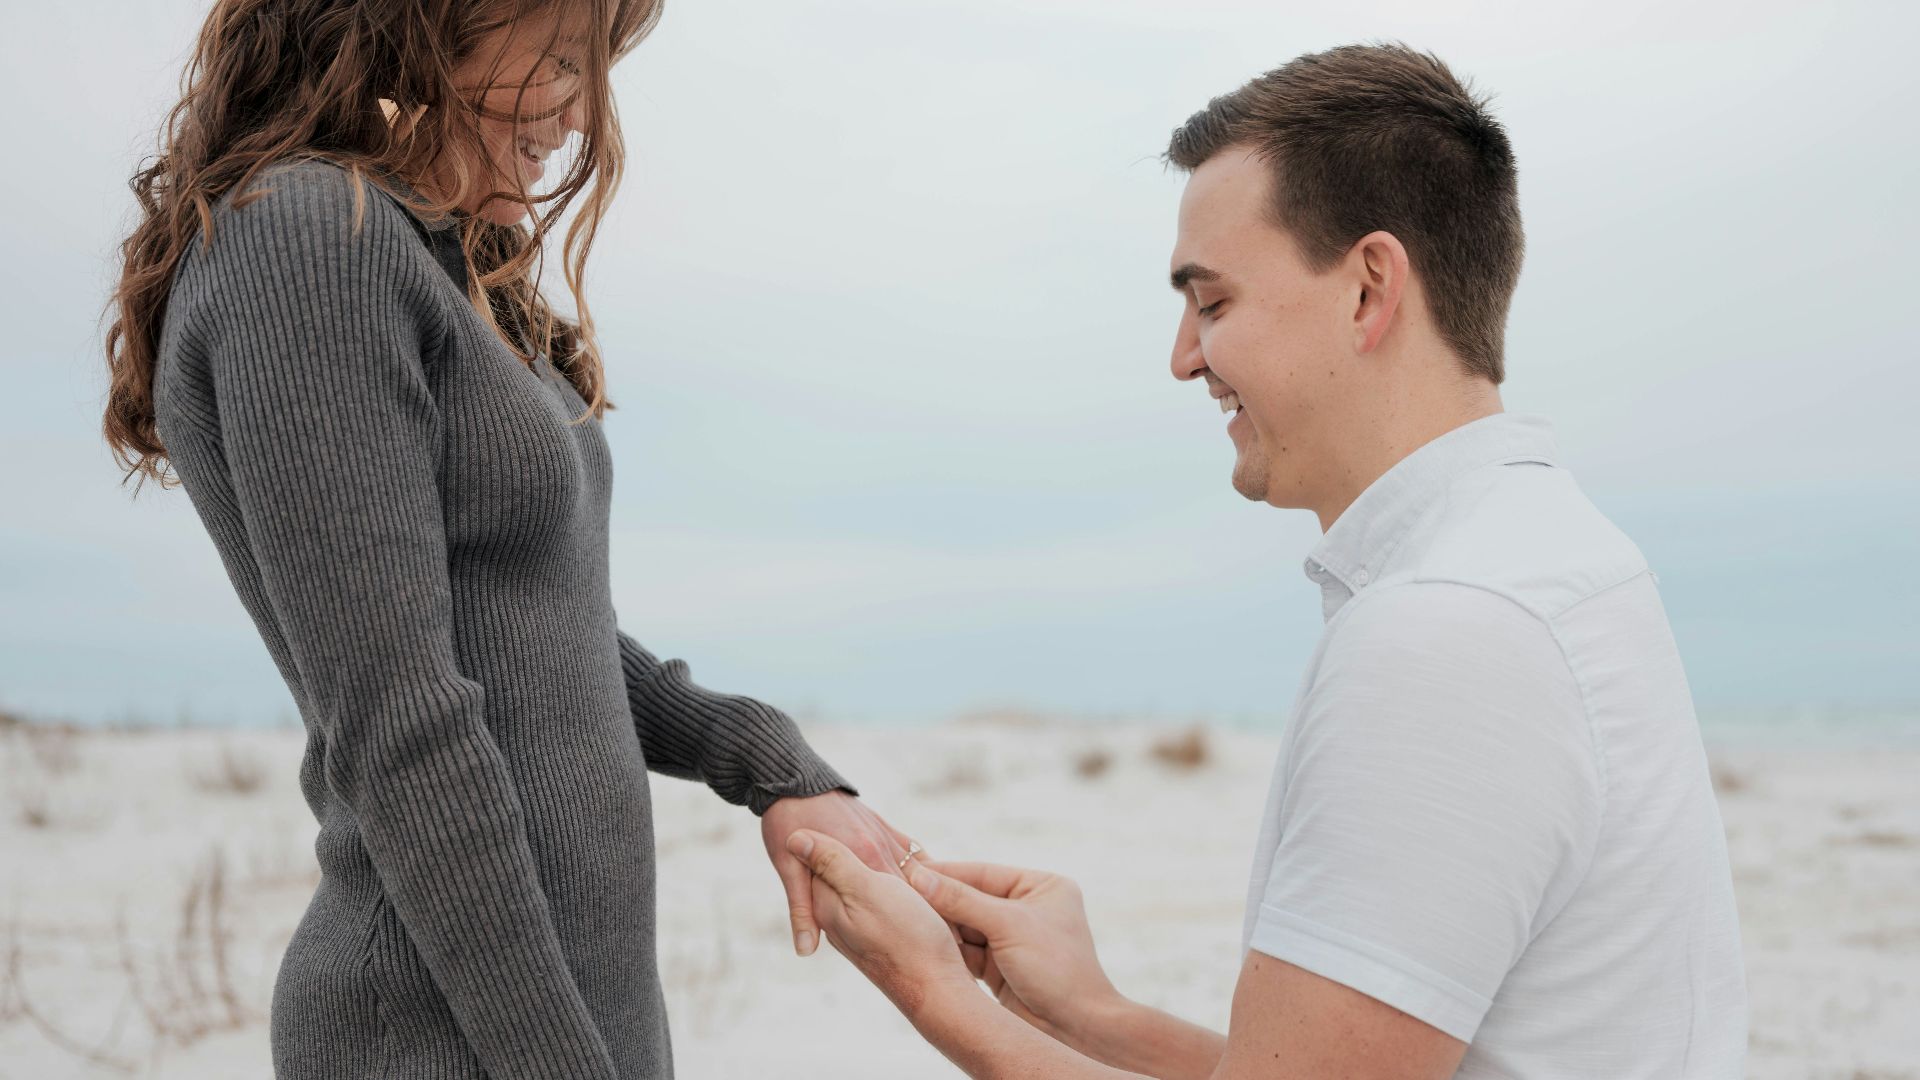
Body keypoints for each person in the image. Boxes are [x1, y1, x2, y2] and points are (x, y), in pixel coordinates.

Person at [784, 42, 1748, 1079]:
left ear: (1370, 289)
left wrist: (930, 992)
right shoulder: (1548, 554)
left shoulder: (1448, 630)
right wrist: (1095, 1014)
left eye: (1214, 303)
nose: (1183, 357)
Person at [99, 2, 933, 1077]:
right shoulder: (307, 238)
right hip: (444, 1038)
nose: (581, 112)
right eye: (559, 58)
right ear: (431, 23)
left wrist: (766, 760)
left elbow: (544, 639)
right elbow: (402, 722)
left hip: (562, 1023)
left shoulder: (446, 268)